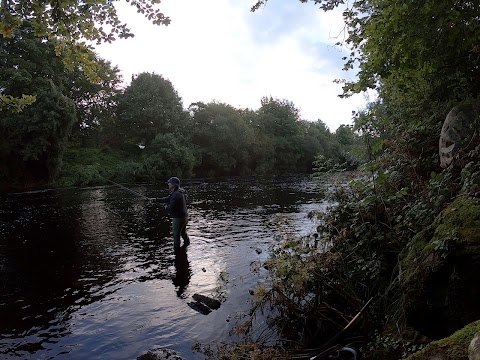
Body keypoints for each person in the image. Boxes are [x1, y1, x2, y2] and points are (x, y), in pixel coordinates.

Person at [155, 176, 190, 249]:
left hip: (178, 218)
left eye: (169, 183)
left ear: (174, 185)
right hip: (184, 217)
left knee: (176, 234)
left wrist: (165, 207)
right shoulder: (178, 193)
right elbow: (167, 199)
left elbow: (171, 207)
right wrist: (155, 199)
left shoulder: (176, 195)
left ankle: (177, 251)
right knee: (183, 233)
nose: (168, 184)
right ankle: (187, 244)